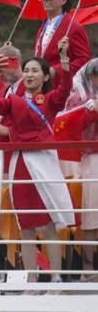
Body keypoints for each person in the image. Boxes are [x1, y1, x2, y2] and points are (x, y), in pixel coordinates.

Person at [0, 40, 77, 282]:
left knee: (49, 225)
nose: (30, 74)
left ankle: (56, 278)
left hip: (43, 163)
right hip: (21, 164)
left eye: (35, 71)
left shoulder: (51, 99)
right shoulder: (14, 100)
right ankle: (32, 280)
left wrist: (65, 66)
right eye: (27, 70)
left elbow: (65, 91)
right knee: (26, 226)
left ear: (45, 77)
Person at [66, 60, 98, 277]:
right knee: (92, 217)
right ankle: (88, 268)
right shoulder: (79, 97)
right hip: (92, 159)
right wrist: (93, 110)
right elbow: (72, 125)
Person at [33, 0, 92, 77]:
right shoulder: (42, 27)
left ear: (63, 0)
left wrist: (56, 70)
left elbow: (84, 60)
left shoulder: (74, 27)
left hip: (63, 86)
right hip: (42, 86)